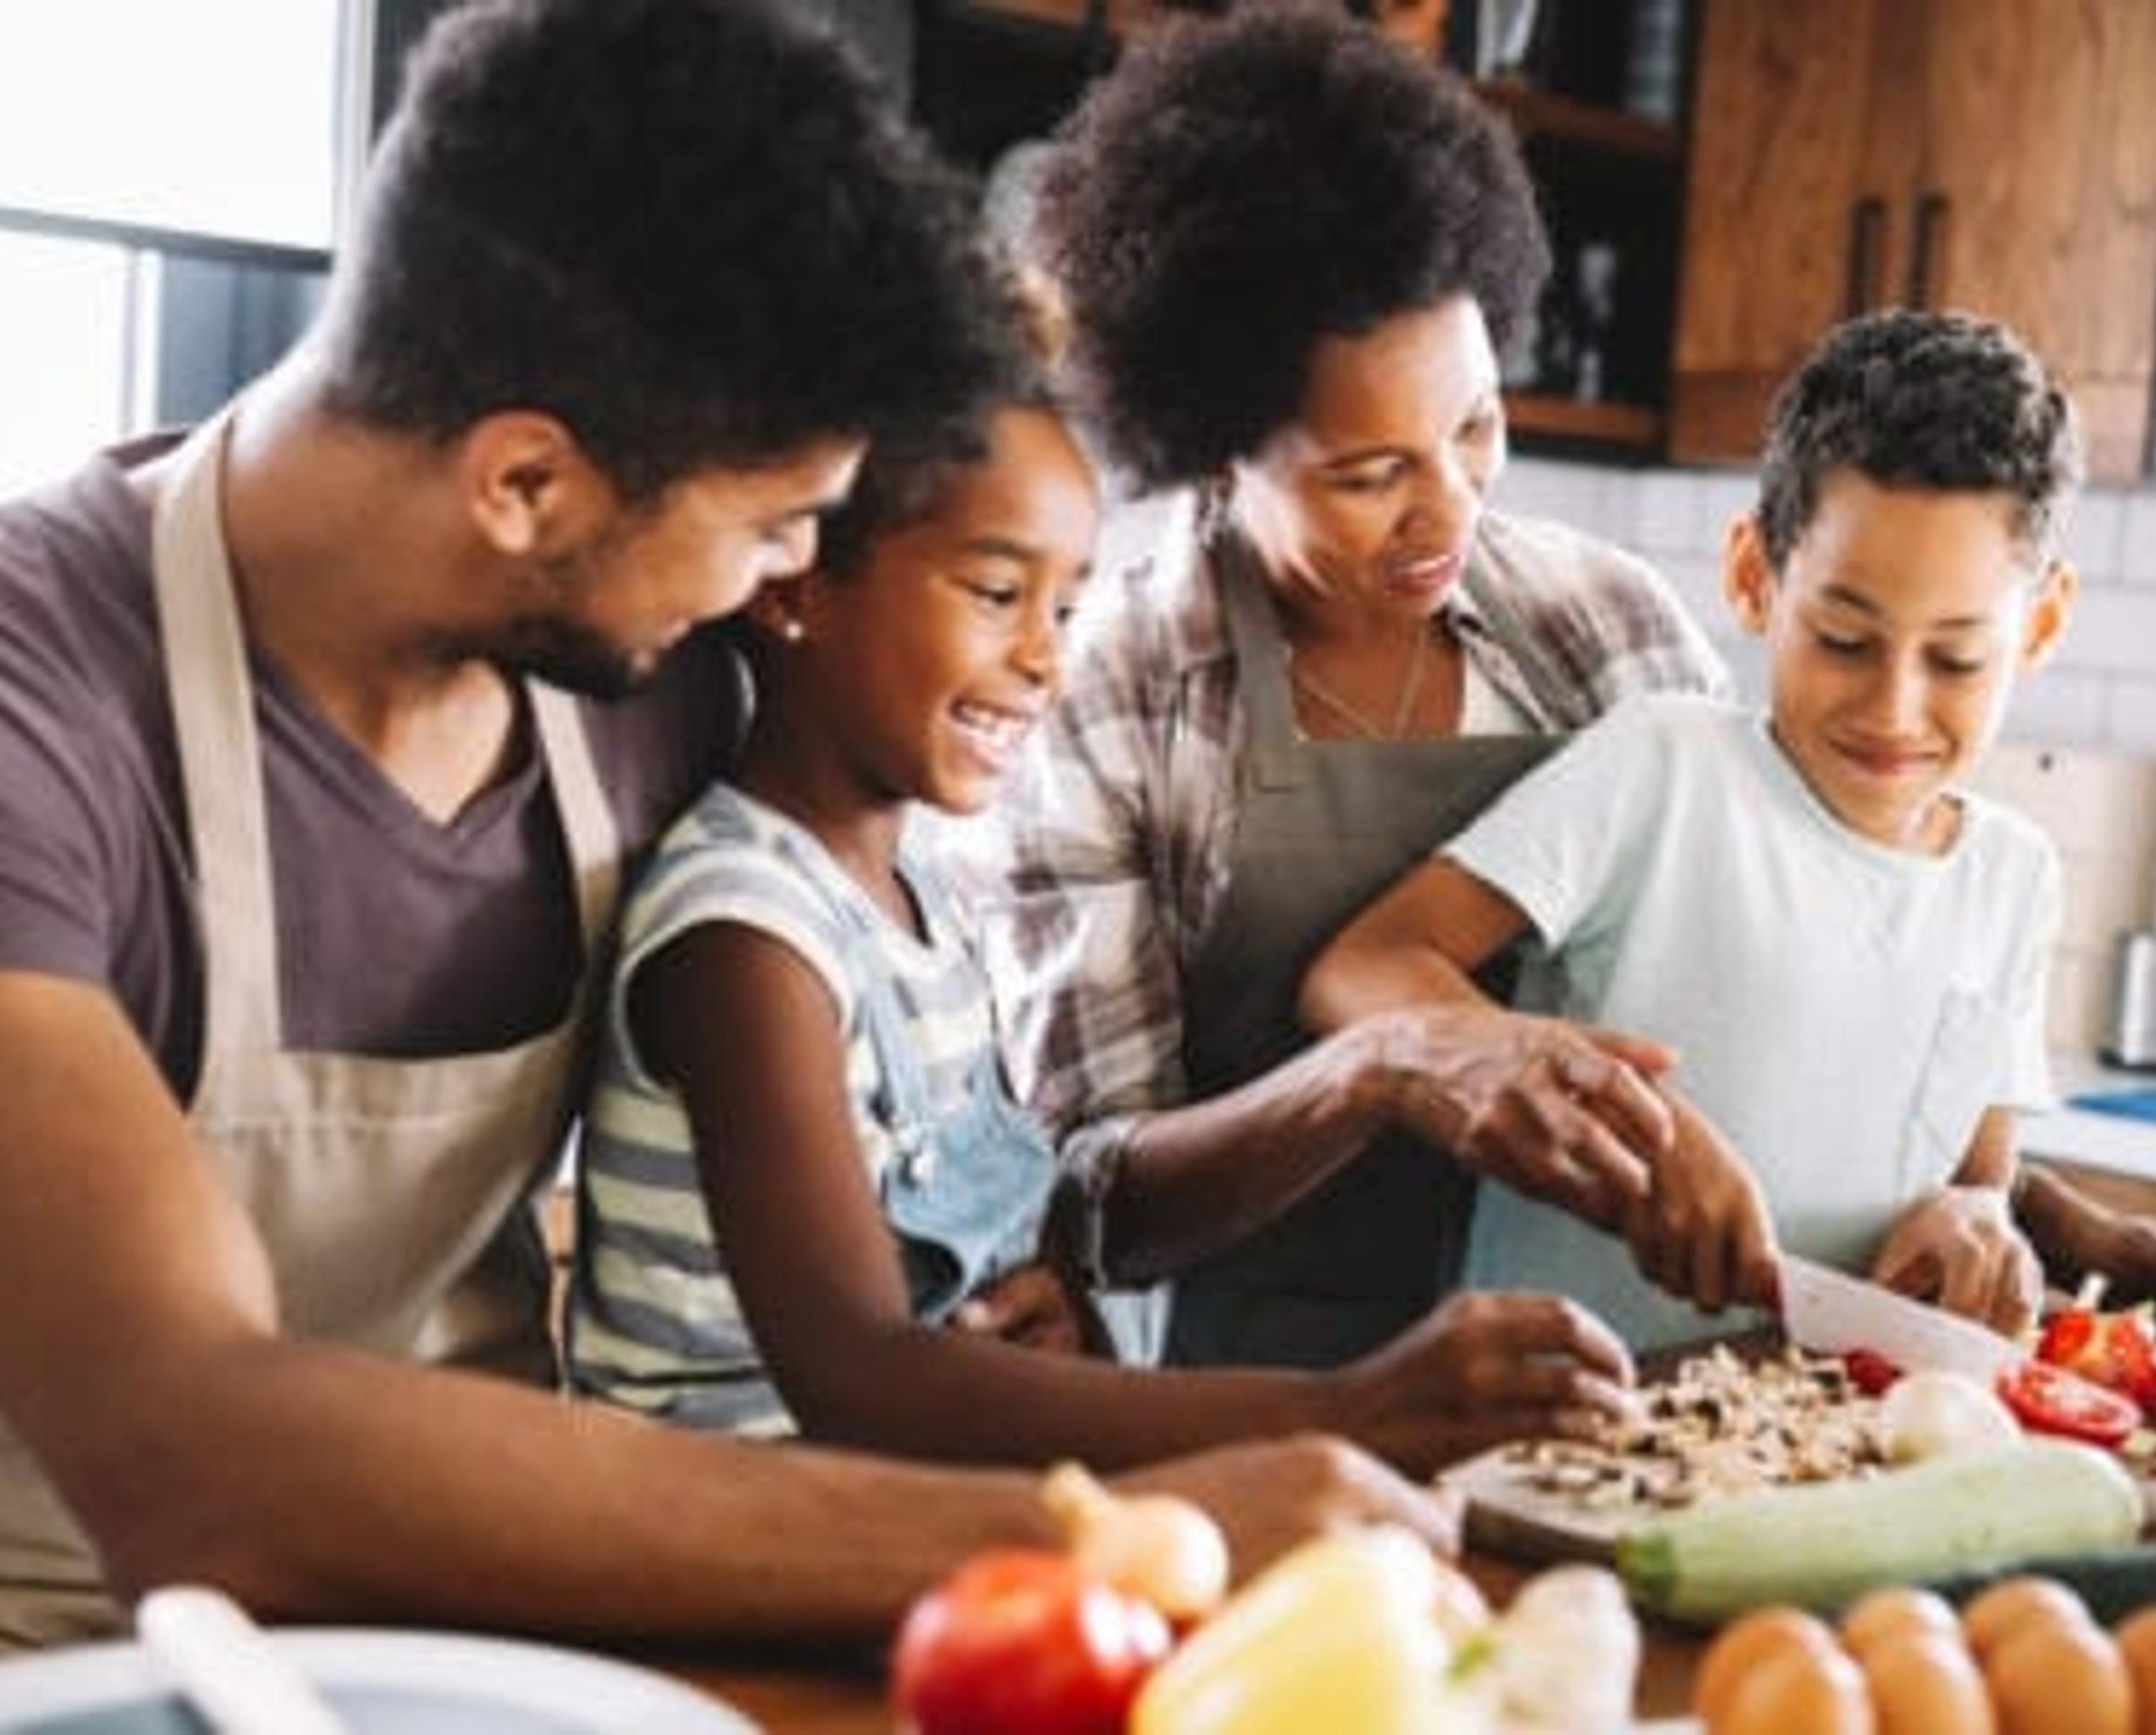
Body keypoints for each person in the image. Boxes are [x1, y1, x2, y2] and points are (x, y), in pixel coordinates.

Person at [0, 0, 1435, 1687]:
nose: (777, 589)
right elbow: (192, 1461)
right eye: (771, 531)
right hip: (25, 1666)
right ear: (525, 485)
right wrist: (1101, 1527)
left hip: (489, 1653)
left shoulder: (653, 674)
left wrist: (990, 1294)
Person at [565, 308, 1635, 1475]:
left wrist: (1050, 1295)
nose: (1046, 658)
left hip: (900, 1503)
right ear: (793, 588)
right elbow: (863, 1376)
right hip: (735, 1534)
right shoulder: (749, 940)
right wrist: (1344, 1410)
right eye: (994, 593)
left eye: (1064, 606)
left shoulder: (920, 890)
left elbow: (975, 1275)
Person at [1001, 4, 1755, 1374]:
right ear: (1218, 445)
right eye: (1370, 474)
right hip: (1252, 1399)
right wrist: (1383, 1068)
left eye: (1475, 427)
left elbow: (1773, 970)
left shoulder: (1601, 628)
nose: (1448, 509)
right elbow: (1091, 1202)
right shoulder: (1111, 691)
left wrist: (2000, 1192)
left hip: (1612, 1375)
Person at [1304, 310, 2156, 1350]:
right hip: (1556, 1424)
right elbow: (1361, 971)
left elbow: (1972, 1176)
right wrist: (1603, 1104)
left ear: (2038, 626)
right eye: (1846, 639)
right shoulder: (1663, 768)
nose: (1895, 708)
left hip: (1825, 1454)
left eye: (1955, 659)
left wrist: (1976, 1221)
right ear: (1754, 579)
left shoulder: (2015, 877)